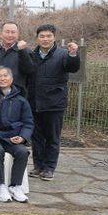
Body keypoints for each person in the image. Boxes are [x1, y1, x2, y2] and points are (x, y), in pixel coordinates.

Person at [27, 24, 80, 181]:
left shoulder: (63, 54)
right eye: (42, 36)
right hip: (34, 103)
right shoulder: (32, 55)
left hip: (54, 104)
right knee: (36, 137)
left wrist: (73, 54)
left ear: (54, 37)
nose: (45, 39)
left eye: (48, 36)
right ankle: (38, 166)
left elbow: (73, 67)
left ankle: (49, 168)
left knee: (52, 138)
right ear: (37, 38)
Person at [0, 66, 34, 203]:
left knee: (22, 152)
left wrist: (22, 137)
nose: (2, 79)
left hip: (12, 137)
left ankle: (15, 186)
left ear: (11, 79)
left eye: (5, 76)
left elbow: (28, 122)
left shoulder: (21, 100)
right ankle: (0, 185)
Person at [0, 21, 35, 95]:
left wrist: (22, 51)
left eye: (13, 32)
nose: (10, 35)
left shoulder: (26, 51)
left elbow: (29, 72)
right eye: (7, 32)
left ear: (17, 34)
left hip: (18, 95)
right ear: (1, 34)